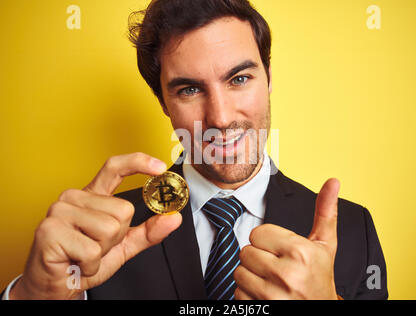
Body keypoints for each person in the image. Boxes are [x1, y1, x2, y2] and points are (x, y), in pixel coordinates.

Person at [2, 0, 387, 300]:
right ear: (163, 102)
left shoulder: (354, 230)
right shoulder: (99, 239)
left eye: (239, 78)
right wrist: (35, 294)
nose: (220, 118)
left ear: (268, 79)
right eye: (189, 89)